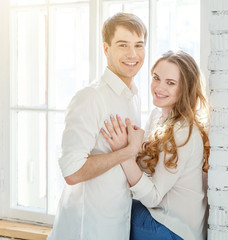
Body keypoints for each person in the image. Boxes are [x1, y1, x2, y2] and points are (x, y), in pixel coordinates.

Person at [47, 12, 147, 240]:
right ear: (106, 49)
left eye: (138, 45)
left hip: (116, 223)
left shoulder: (134, 97)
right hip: (85, 228)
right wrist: (127, 152)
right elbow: (71, 172)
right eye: (123, 45)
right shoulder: (90, 97)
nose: (133, 54)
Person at [101, 50, 210, 240]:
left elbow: (153, 196)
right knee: (108, 201)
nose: (159, 87)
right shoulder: (157, 115)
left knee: (106, 209)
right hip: (162, 220)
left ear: (185, 88)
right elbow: (143, 169)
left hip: (172, 230)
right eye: (156, 78)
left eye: (170, 83)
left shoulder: (181, 132)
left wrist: (123, 153)